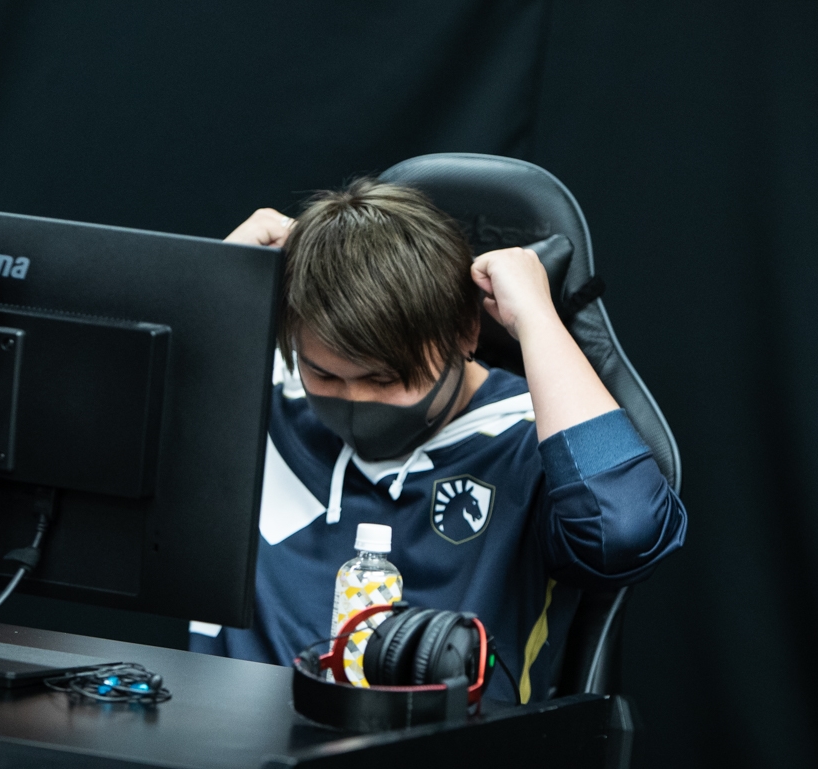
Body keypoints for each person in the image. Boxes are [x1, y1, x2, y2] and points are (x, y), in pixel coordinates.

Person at [191, 177, 686, 704]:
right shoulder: (252, 392)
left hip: (441, 738)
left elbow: (624, 533)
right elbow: (123, 449)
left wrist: (537, 319)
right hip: (225, 732)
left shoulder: (534, 439)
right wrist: (209, 289)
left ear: (466, 333)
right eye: (325, 375)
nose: (355, 400)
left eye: (385, 379)